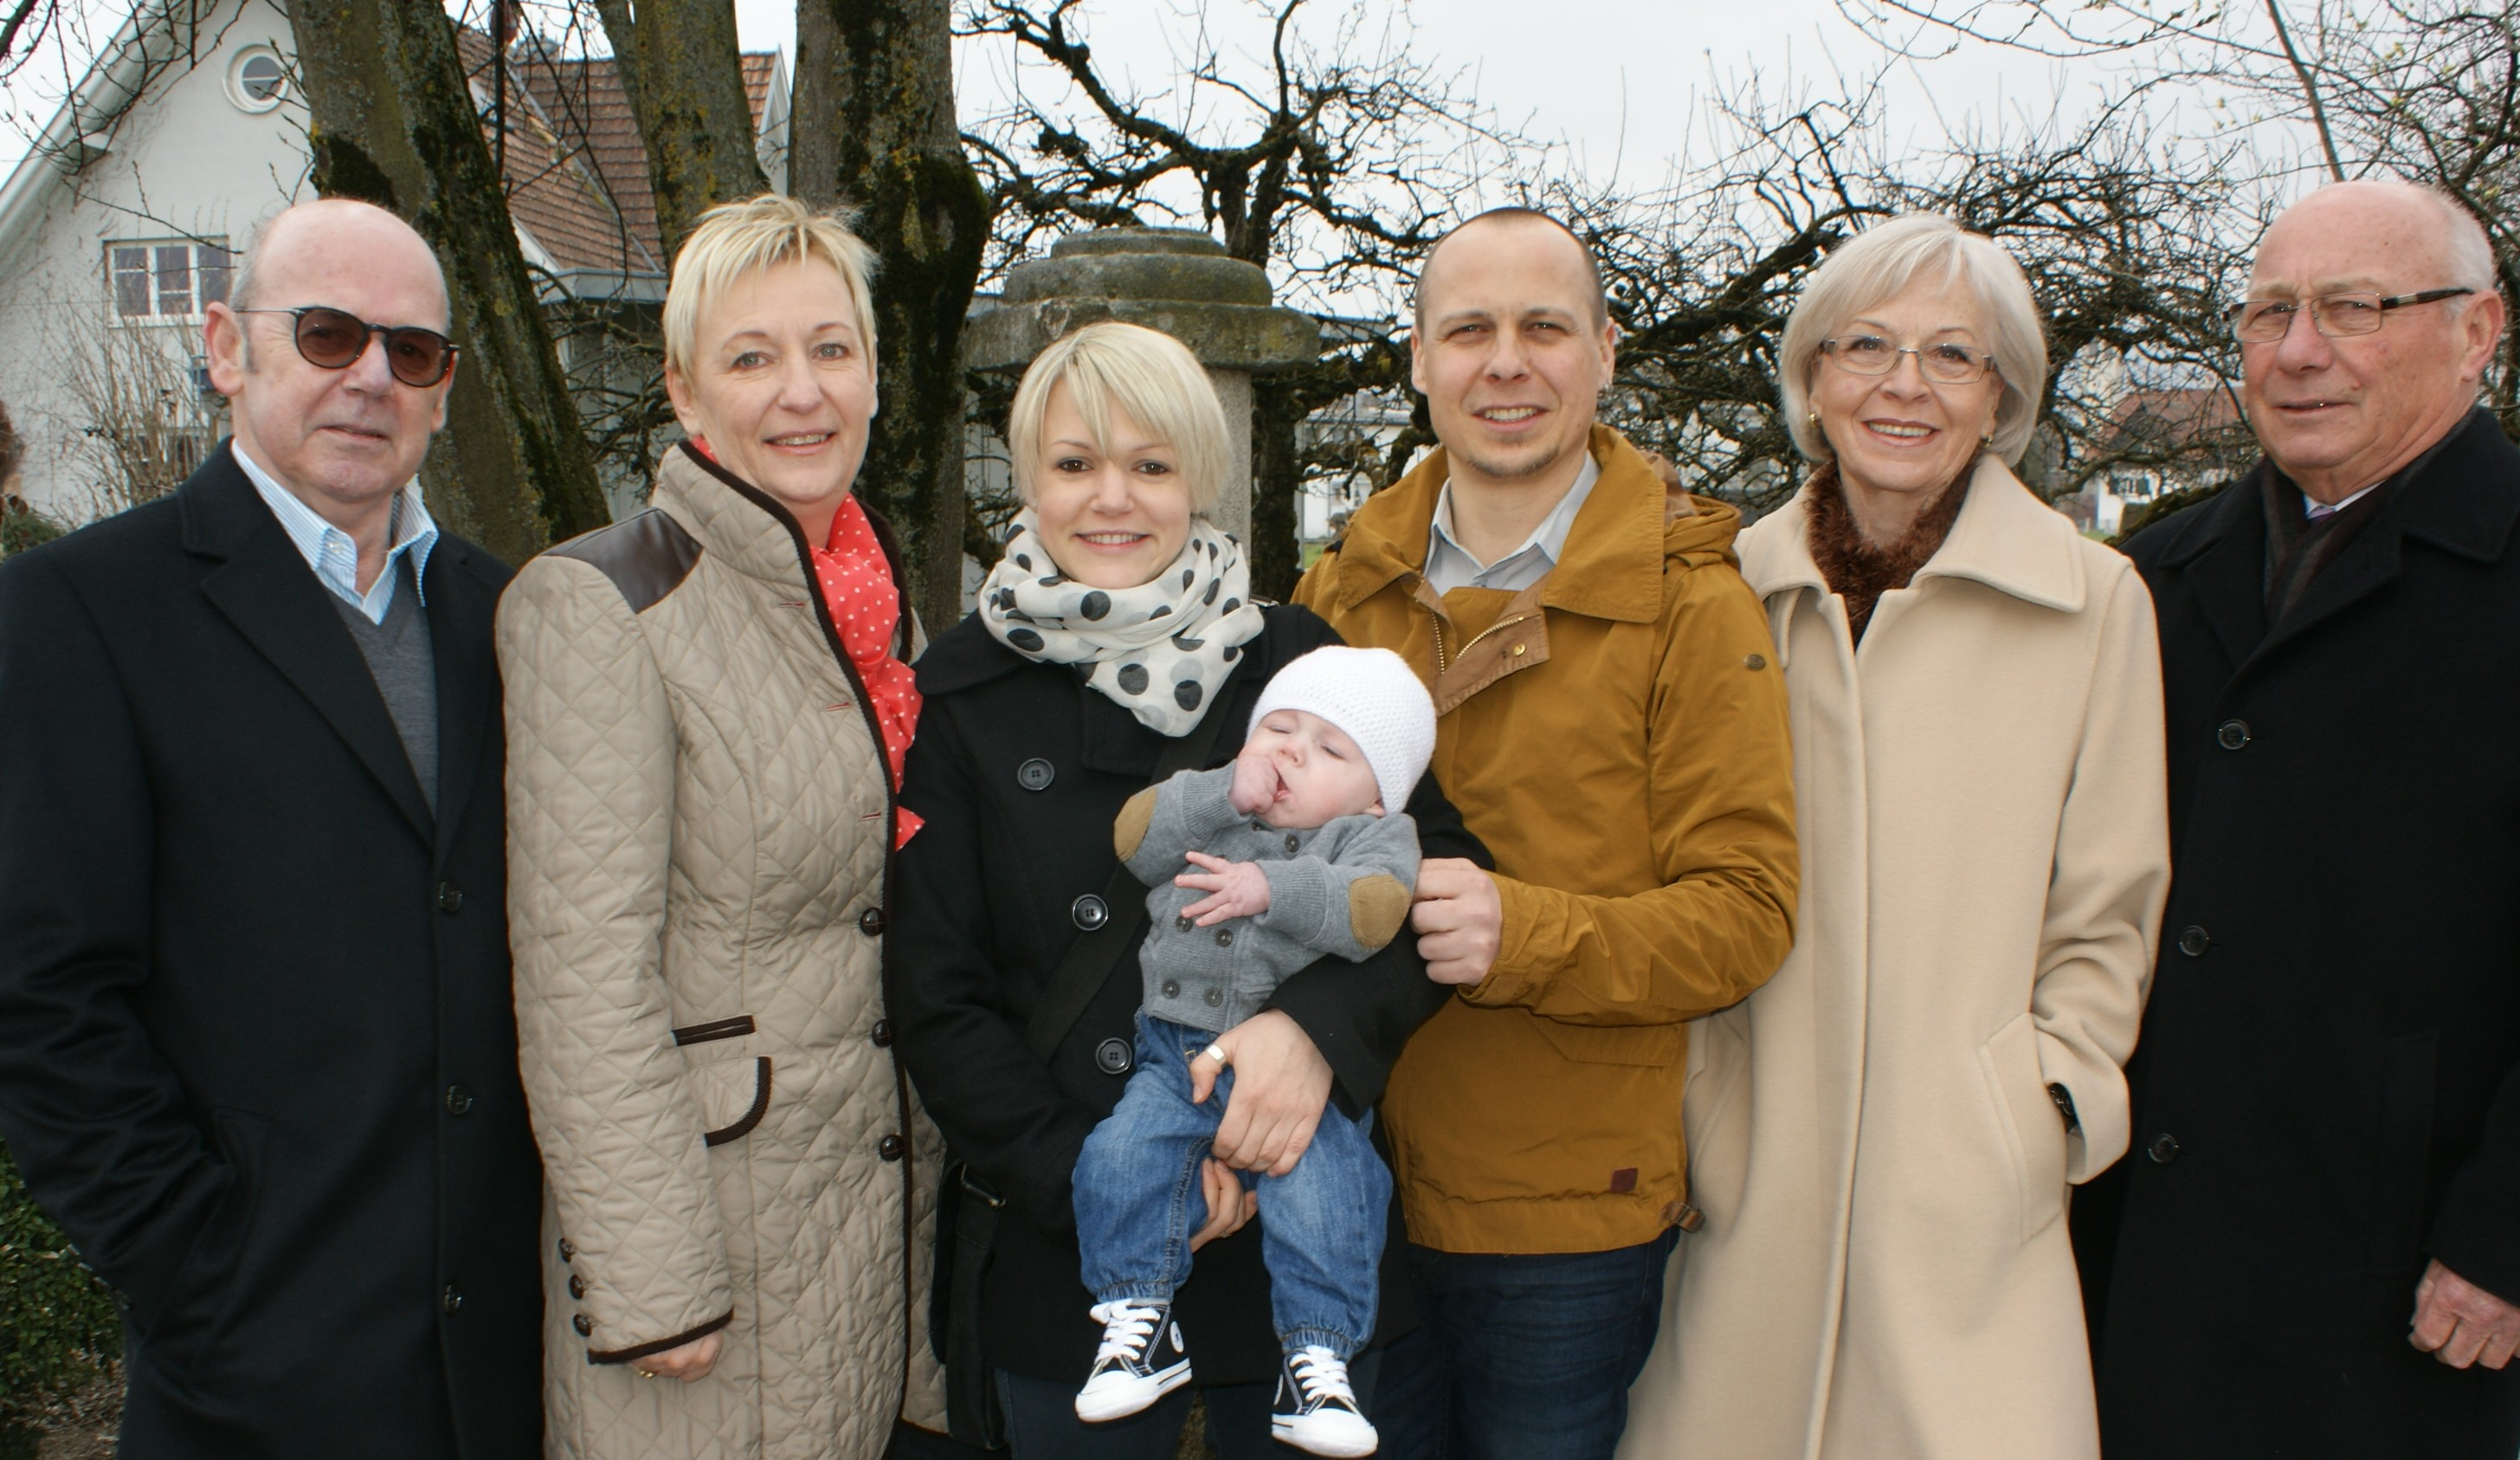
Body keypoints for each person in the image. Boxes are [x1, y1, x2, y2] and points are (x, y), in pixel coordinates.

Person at [2078, 180, 2520, 1460]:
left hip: (2397, 1277)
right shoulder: (2151, 579)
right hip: (2131, 1246)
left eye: (2355, 308)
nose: (2299, 351)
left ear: (2478, 331)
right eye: (2269, 312)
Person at [886, 320, 1489, 1460]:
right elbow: (935, 990)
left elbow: (1432, 881)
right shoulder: (955, 693)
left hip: (1295, 1220)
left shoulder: (1298, 661)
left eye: (1151, 464)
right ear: (1027, 477)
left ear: (1197, 478)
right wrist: (1093, 1176)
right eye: (1075, 463)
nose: (1112, 498)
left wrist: (1312, 1037)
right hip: (1073, 1256)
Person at [1618, 213, 2169, 1460]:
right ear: (1812, 379)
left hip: (1968, 1206)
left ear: (2000, 397)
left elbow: (2110, 903)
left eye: (1952, 355)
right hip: (1742, 1181)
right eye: (1864, 345)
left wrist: (2044, 1106)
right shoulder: (1718, 591)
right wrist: (1698, 1107)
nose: (1903, 385)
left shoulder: (2093, 602)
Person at [0, 197, 542, 1456]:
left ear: (444, 390)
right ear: (226, 349)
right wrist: (195, 1273)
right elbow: (41, 996)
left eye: (412, 351)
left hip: (503, 1373)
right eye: (327, 333)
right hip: (251, 1376)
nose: (371, 376)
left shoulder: (507, 614)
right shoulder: (76, 614)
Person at [1292, 206, 1800, 1460]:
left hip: (1565, 1216)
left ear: (1605, 352)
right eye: (1470, 330)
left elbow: (1746, 913)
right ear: (1419, 359)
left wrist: (1523, 934)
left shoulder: (1690, 601)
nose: (1506, 363)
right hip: (1343, 1180)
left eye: (1544, 328)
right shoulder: (1340, 590)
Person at [496, 194, 944, 1459]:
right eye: (752, 357)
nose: (801, 391)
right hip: (714, 1246)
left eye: (831, 348)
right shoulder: (602, 603)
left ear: (872, 377)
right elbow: (582, 976)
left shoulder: (882, 610)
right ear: (686, 393)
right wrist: (652, 1282)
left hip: (880, 1221)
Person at [1073, 645, 1437, 1457]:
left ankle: (1319, 1360)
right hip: (1175, 1056)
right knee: (1118, 1157)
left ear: (1377, 795)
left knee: (1329, 1196)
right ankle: (1136, 1319)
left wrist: (1274, 890)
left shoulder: (1375, 837)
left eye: (1330, 748)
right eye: (1279, 728)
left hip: (1297, 1081)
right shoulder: (1214, 808)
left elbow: (1375, 911)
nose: (1292, 753)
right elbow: (1134, 839)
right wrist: (1218, 792)